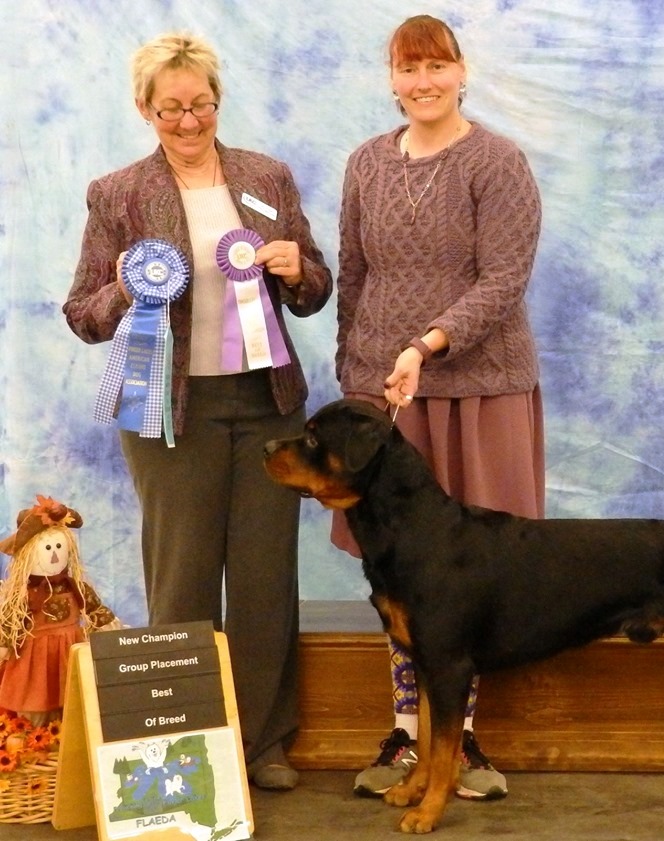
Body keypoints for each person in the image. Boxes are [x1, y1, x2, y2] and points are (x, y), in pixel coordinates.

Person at [63, 32, 332, 791]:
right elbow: (83, 313)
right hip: (166, 409)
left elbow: (315, 290)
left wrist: (296, 268)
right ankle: (183, 741)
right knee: (181, 582)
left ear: (218, 101)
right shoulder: (116, 193)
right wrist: (121, 286)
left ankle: (261, 742)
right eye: (171, 108)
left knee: (264, 578)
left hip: (268, 403)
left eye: (201, 104)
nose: (188, 121)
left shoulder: (267, 177)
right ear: (145, 109)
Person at [333, 14, 544, 801]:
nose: (421, 81)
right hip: (389, 398)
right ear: (391, 78)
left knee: (468, 573)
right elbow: (352, 275)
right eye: (406, 67)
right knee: (398, 569)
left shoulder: (498, 161)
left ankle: (464, 739)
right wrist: (359, 375)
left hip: (479, 387)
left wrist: (426, 345)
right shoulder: (364, 163)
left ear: (462, 71)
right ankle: (405, 729)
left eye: (436, 65)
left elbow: (505, 278)